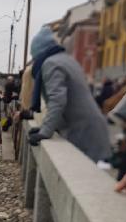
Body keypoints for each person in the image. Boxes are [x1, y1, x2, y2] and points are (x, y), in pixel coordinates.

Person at [28, 26, 111, 163]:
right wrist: (45, 126)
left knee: (82, 176)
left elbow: (57, 100)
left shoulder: (51, 63)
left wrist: (45, 132)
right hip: (91, 127)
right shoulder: (67, 60)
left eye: (34, 56)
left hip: (83, 131)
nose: (34, 61)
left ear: (40, 52)